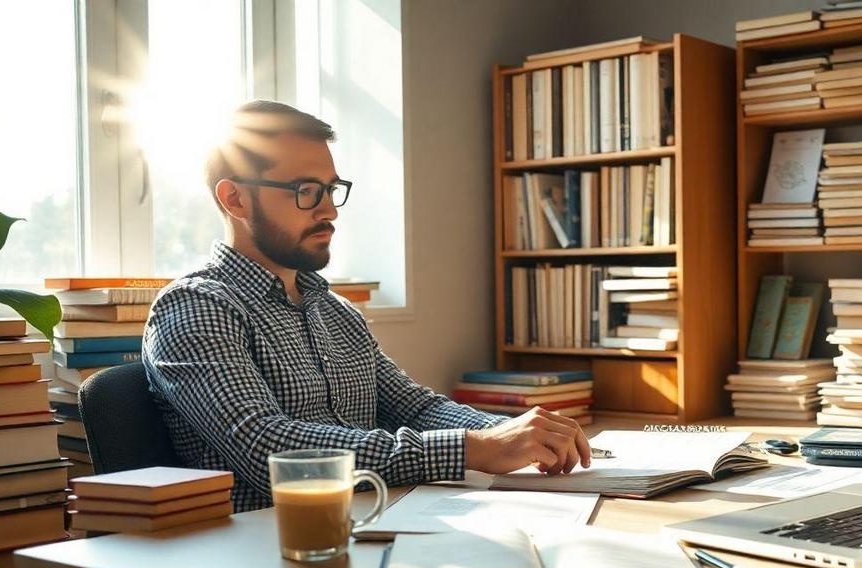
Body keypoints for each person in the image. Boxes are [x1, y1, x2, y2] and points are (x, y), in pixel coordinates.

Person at [143, 100, 590, 513]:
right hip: (263, 550)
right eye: (305, 191)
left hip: (378, 520)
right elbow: (270, 450)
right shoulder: (195, 307)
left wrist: (525, 434)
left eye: (331, 189)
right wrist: (476, 447)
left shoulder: (334, 310)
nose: (329, 211)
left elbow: (415, 409)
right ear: (234, 198)